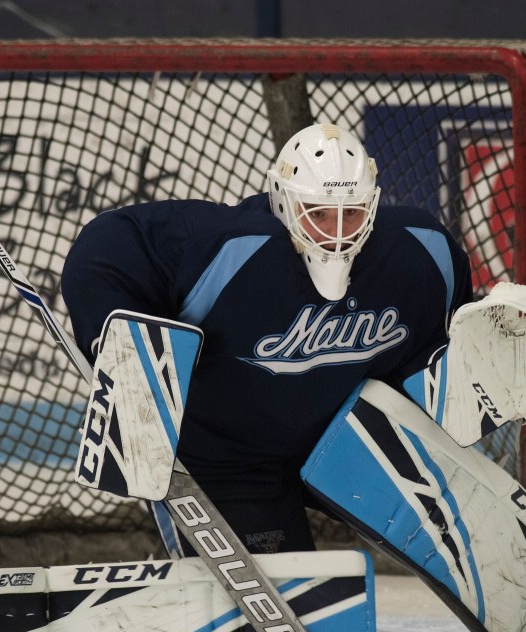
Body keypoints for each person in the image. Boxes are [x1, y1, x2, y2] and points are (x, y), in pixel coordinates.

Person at [61, 123, 472, 556]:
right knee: (285, 609)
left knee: (470, 536)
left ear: (371, 205)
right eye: (317, 212)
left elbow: (448, 339)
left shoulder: (422, 252)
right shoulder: (226, 246)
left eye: (349, 212)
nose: (336, 231)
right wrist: (121, 348)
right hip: (229, 460)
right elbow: (102, 248)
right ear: (283, 201)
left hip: (346, 447)